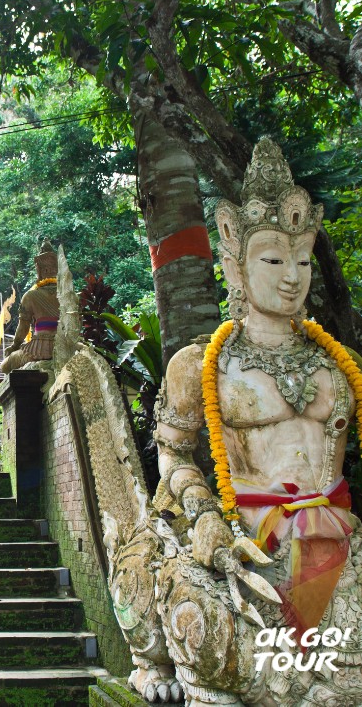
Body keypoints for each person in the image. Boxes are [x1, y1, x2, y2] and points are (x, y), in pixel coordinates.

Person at [110, 138, 362, 706]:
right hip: (243, 543)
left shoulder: (340, 367)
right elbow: (174, 453)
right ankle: (154, 663)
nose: (292, 276)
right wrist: (204, 516)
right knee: (196, 619)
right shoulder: (201, 365)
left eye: (302, 260)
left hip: (333, 546)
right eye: (273, 260)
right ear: (235, 264)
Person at [0, 239, 60, 374]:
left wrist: (15, 346)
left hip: (39, 349)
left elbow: (23, 327)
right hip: (65, 346)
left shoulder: (31, 296)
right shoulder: (69, 294)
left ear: (40, 270)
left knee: (5, 366)